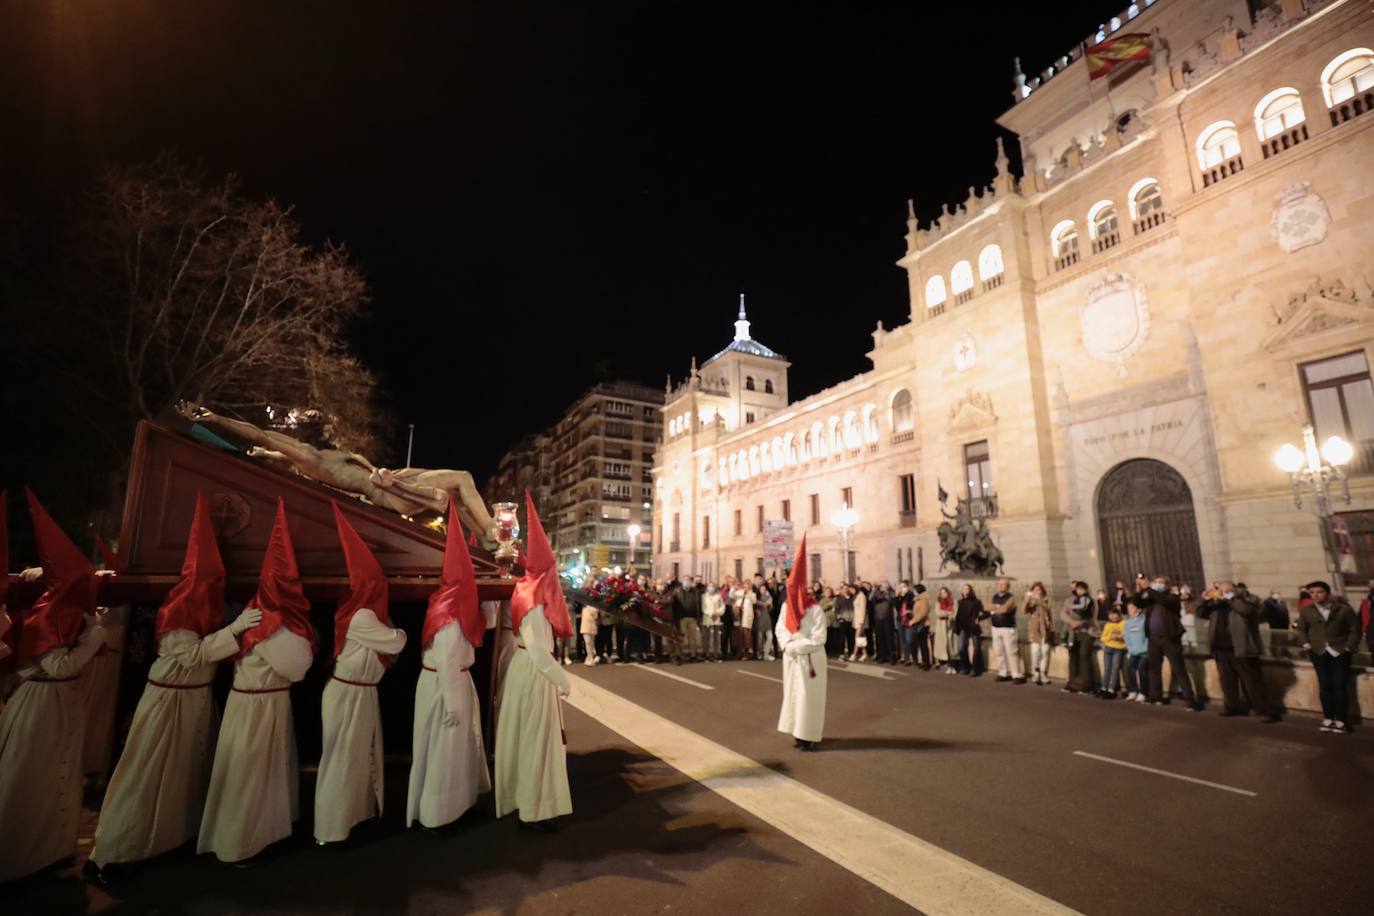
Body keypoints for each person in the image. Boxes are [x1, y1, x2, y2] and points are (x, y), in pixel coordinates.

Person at [87, 492, 262, 886]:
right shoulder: (179, 612)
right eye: (213, 581)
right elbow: (194, 655)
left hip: (195, 701)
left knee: (181, 779)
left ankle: (166, 842)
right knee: (149, 777)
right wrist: (235, 630)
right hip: (169, 704)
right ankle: (115, 855)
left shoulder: (203, 609)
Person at [198, 499, 317, 864]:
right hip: (256, 706)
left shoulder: (261, 615)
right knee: (248, 777)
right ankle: (237, 846)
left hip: (267, 702)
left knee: (268, 773)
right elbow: (297, 668)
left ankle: (267, 833)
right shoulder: (265, 621)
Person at [0, 491, 109, 883]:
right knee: (33, 776)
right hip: (43, 701)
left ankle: (51, 849)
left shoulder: (67, 609)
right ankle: (19, 857)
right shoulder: (50, 616)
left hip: (62, 701)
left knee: (61, 772)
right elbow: (58, 663)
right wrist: (94, 637)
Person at [315, 503, 408, 846]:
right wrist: (396, 631)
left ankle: (355, 817)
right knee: (342, 760)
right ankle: (330, 830)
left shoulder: (364, 615)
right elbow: (396, 641)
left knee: (358, 757)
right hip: (349, 693)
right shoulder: (361, 618)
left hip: (361, 691)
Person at [408, 499, 492, 829]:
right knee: (443, 755)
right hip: (446, 688)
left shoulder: (451, 605)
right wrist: (454, 702)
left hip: (453, 682)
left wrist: (487, 605)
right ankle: (438, 817)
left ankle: (457, 807)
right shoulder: (449, 615)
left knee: (456, 753)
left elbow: (484, 626)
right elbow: (446, 660)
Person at [495, 494, 574, 830]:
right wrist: (562, 679)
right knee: (535, 741)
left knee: (528, 739)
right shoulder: (534, 602)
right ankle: (533, 809)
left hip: (526, 671)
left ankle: (531, 803)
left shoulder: (527, 593)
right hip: (534, 674)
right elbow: (540, 650)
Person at [1197, 582, 1279, 723]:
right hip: (1222, 649)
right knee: (1227, 681)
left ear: (1234, 590)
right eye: (1220, 590)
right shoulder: (1218, 605)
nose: (1221, 593)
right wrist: (1204, 600)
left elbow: (1247, 611)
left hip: (1242, 648)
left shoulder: (1247, 600)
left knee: (1252, 680)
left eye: (1226, 590)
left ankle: (1264, 710)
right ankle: (1231, 706)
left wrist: (1230, 598)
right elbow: (1201, 613)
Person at [775, 537, 828, 751]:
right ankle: (798, 734)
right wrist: (787, 645)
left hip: (809, 659)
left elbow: (818, 637)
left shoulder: (815, 609)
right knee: (793, 695)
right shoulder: (787, 607)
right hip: (792, 658)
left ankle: (809, 735)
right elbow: (780, 628)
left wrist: (796, 646)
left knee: (809, 698)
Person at [1294, 580, 1360, 734]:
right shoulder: (1307, 610)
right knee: (1325, 686)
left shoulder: (1343, 610)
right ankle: (1328, 717)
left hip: (1339, 651)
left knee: (1339, 686)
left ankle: (1341, 720)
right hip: (1318, 651)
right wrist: (1306, 644)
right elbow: (1301, 629)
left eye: (1320, 592)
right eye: (1312, 593)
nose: (1316, 595)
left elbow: (1354, 630)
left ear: (1328, 594)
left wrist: (1348, 647)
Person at [1135, 575, 1202, 710]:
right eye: (1156, 582)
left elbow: (1164, 601)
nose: (1158, 585)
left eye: (1161, 583)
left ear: (1166, 586)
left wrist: (1149, 588)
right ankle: (1155, 696)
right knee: (1154, 669)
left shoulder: (1172, 598)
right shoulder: (1151, 599)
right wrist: (1140, 589)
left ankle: (1190, 700)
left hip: (1169, 638)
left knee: (1179, 669)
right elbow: (1137, 603)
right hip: (1153, 638)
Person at [1061, 581, 1098, 694]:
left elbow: (1092, 616)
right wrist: (1071, 621)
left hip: (1086, 631)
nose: (1074, 590)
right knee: (1073, 656)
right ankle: (1072, 683)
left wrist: (1080, 622)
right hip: (1073, 632)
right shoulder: (1069, 601)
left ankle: (1085, 684)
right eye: (1072, 588)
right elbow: (1063, 613)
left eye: (1076, 588)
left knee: (1084, 656)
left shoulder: (1089, 600)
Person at [988, 578, 1024, 684]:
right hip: (995, 628)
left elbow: (1005, 609)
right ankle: (1002, 673)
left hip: (1008, 628)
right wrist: (997, 607)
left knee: (1011, 652)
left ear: (1007, 587)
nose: (1000, 586)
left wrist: (994, 608)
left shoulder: (1011, 598)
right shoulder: (994, 596)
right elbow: (987, 607)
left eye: (1003, 585)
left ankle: (1016, 675)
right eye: (999, 584)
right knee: (999, 651)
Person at [1023, 583, 1053, 685]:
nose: (1037, 591)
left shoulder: (1046, 599)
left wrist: (1037, 599)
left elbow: (1047, 607)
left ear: (1042, 591)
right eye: (1035, 590)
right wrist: (1027, 600)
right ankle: (1035, 672)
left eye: (1039, 590)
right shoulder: (1031, 601)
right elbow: (1024, 610)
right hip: (1034, 630)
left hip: (1046, 629)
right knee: (1035, 652)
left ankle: (1043, 673)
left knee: (1045, 652)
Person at [954, 584, 986, 676]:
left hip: (973, 626)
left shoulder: (976, 601)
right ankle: (965, 667)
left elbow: (985, 612)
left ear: (970, 590)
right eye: (964, 588)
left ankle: (975, 669)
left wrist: (979, 619)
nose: (965, 590)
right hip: (962, 626)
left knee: (976, 648)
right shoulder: (960, 602)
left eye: (967, 588)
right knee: (961, 648)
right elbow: (956, 615)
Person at [1123, 601, 1150, 702]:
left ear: (1139, 609)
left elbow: (1147, 636)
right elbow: (1127, 637)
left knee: (1142, 670)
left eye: (1132, 608)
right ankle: (1133, 690)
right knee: (1130, 669)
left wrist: (1146, 648)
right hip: (1133, 651)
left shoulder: (1144, 621)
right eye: (1128, 608)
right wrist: (1130, 649)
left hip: (1145, 652)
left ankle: (1143, 692)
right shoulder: (1128, 622)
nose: (1129, 610)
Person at [1098, 606, 1126, 699]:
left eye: (1115, 614)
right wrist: (1110, 636)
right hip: (1108, 648)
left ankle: (1111, 689)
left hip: (1118, 648)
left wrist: (1119, 637)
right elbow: (1103, 637)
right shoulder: (1108, 625)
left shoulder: (1123, 623)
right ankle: (1103, 688)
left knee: (1115, 669)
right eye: (1111, 614)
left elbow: (1125, 635)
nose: (1113, 616)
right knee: (1107, 669)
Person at [675, 576, 704, 661]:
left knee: (692, 637)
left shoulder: (695, 591)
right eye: (684, 580)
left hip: (693, 618)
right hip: (681, 618)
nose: (686, 582)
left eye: (688, 580)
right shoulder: (678, 591)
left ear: (691, 582)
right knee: (683, 637)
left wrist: (699, 617)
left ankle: (693, 654)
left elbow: (699, 604)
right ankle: (683, 654)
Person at [870, 582, 896, 664]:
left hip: (887, 618)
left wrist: (886, 592)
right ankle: (882, 656)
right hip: (878, 618)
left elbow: (891, 600)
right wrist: (875, 590)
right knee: (880, 638)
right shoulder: (877, 594)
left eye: (883, 586)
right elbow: (870, 598)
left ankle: (892, 657)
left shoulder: (891, 593)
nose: (882, 588)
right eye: (881, 586)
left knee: (889, 638)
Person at [907, 583, 932, 669]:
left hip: (922, 624)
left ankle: (927, 663)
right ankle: (921, 661)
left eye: (915, 590)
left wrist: (913, 621)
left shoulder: (924, 600)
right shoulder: (917, 599)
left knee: (923, 644)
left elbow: (923, 613)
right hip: (917, 623)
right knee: (918, 643)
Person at [752, 574, 776, 661]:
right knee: (760, 638)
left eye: (764, 589)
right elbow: (755, 602)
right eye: (762, 589)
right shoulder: (757, 597)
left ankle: (766, 652)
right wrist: (763, 604)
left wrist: (769, 604)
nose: (763, 590)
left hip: (767, 618)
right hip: (759, 618)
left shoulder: (768, 597)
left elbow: (771, 604)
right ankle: (760, 653)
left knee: (770, 636)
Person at [934, 586, 956, 673]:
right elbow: (938, 613)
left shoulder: (953, 601)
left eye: (945, 592)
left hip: (950, 625)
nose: (943, 594)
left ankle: (952, 666)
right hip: (941, 625)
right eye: (942, 592)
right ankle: (948, 665)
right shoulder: (938, 602)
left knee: (951, 646)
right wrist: (948, 613)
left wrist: (947, 614)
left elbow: (955, 613)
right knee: (945, 645)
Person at [701, 583, 725, 661]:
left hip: (717, 618)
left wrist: (717, 613)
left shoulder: (718, 596)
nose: (711, 588)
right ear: (707, 587)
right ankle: (707, 654)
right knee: (707, 637)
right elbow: (703, 608)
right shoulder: (704, 596)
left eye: (712, 586)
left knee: (716, 638)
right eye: (709, 586)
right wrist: (711, 614)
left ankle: (716, 654)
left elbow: (722, 605)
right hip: (707, 618)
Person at [851, 582, 869, 662]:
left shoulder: (861, 596)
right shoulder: (856, 596)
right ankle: (865, 653)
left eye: (852, 589)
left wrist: (861, 622)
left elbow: (863, 609)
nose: (851, 591)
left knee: (857, 637)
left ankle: (854, 654)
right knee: (861, 638)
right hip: (857, 619)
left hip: (861, 620)